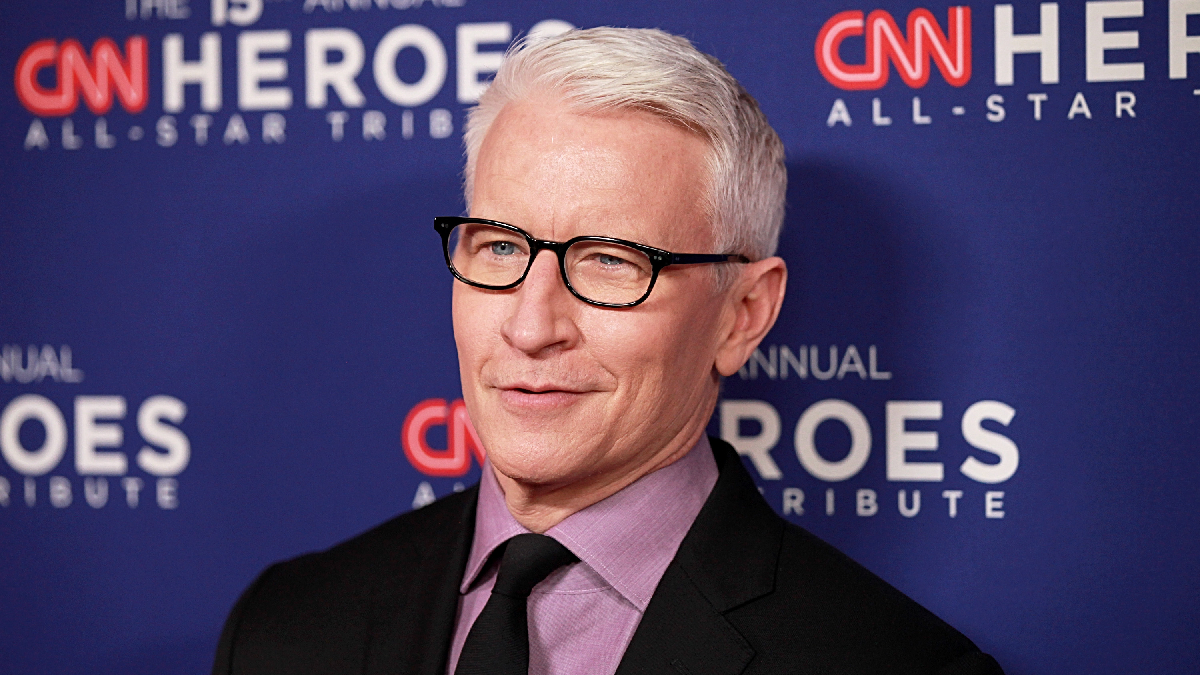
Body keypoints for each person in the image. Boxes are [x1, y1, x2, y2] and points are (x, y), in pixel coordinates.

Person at [212, 27, 1004, 675]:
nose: (531, 326)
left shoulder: (899, 664)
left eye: (610, 261)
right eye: (499, 247)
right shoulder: (284, 629)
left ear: (743, 315)